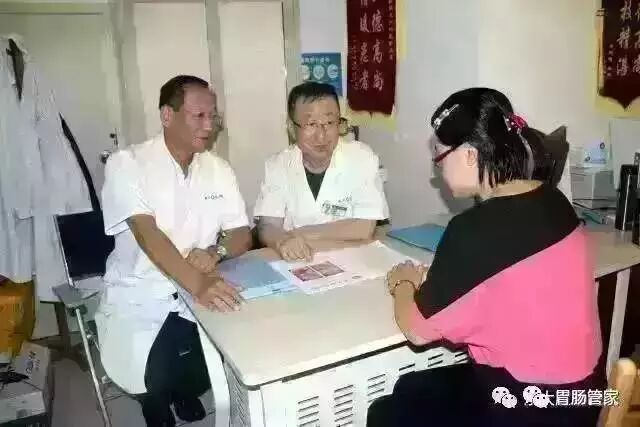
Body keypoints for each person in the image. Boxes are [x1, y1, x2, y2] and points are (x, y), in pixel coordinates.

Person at [367, 88, 605, 427]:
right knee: (410, 389)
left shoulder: (473, 229)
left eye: (440, 155)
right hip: (586, 397)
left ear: (469, 154)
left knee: (386, 411)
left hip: (528, 409)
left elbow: (417, 331)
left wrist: (403, 283)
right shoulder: (555, 201)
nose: (438, 168)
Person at [95, 75, 252, 427]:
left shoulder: (218, 169)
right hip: (143, 292)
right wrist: (198, 283)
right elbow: (148, 234)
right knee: (151, 373)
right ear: (167, 115)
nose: (209, 126)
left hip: (198, 287)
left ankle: (183, 391)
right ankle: (155, 403)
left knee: (219, 361)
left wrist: (216, 251)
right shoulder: (127, 164)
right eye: (199, 116)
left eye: (213, 116)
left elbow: (242, 233)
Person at [254, 82, 389, 260]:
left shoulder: (362, 157)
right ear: (292, 128)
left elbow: (364, 227)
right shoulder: (278, 165)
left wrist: (296, 235)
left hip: (351, 259)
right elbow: (268, 225)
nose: (321, 135)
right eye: (311, 124)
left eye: (329, 123)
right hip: (295, 261)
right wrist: (282, 241)